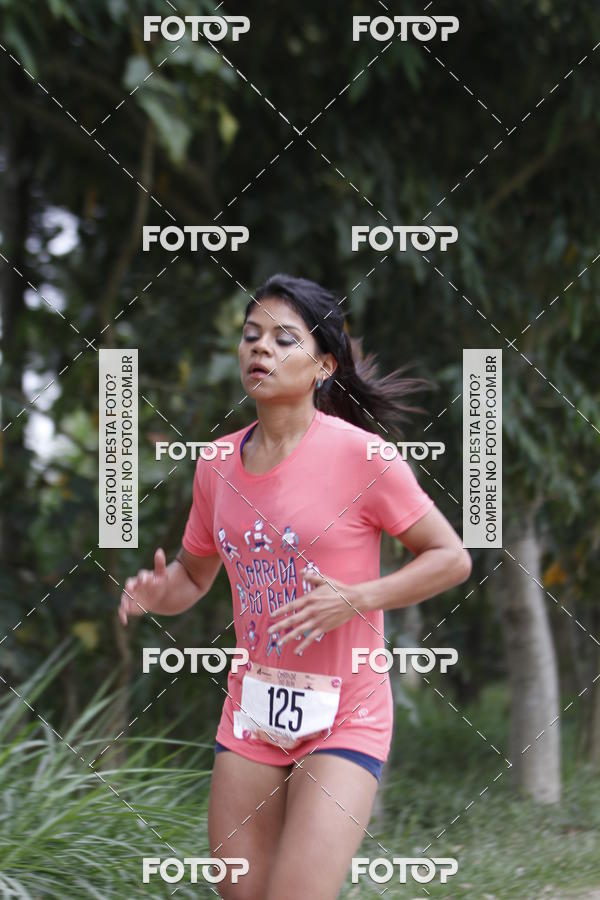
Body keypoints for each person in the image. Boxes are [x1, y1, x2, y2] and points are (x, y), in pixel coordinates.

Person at [119, 274, 472, 900]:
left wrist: (358, 598)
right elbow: (193, 578)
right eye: (251, 336)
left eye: (284, 339)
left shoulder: (364, 458)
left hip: (348, 714)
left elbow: (451, 559)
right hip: (253, 711)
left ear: (323, 366)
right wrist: (155, 592)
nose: (261, 349)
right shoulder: (216, 464)